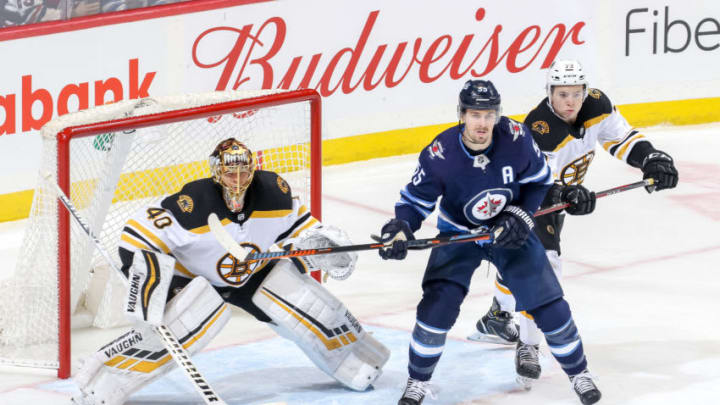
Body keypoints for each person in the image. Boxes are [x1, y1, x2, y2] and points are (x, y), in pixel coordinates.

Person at [72, 138, 390, 405]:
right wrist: (154, 286)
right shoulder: (192, 203)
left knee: (306, 301)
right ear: (215, 173)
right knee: (184, 322)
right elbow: (137, 237)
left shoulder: (274, 192)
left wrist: (327, 247)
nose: (237, 179)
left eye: (243, 170)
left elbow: (303, 229)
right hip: (196, 277)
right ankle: (101, 378)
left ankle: (358, 357)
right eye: (229, 171)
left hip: (253, 273)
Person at [378, 79, 601, 405]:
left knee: (548, 303)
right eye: (475, 114)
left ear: (497, 115)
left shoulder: (517, 139)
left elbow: (539, 183)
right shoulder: (440, 154)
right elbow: (414, 202)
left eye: (488, 115)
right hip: (458, 234)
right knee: (436, 307)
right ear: (462, 115)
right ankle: (417, 381)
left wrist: (522, 215)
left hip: (509, 230)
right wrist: (399, 230)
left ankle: (579, 374)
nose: (482, 123)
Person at [469, 59, 678, 388]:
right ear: (549, 93)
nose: (570, 101)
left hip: (556, 201)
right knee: (545, 268)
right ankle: (528, 344)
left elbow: (621, 139)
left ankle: (498, 315)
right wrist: (568, 193)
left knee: (520, 269)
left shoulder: (597, 105)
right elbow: (539, 184)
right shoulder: (538, 128)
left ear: (585, 92)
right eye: (562, 94)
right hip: (523, 202)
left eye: (576, 93)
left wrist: (651, 158)